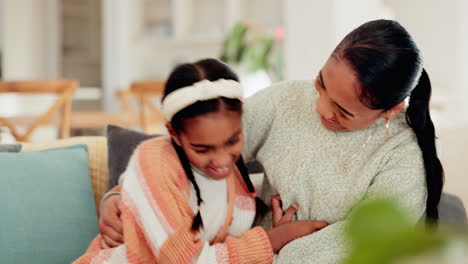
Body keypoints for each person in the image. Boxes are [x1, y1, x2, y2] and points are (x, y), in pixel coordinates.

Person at [99, 19, 444, 263]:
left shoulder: (402, 164)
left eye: (342, 111)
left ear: (390, 110)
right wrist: (122, 193)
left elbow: (347, 251)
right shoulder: (285, 101)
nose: (321, 108)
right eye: (321, 84)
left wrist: (272, 246)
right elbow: (192, 148)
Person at [74, 59, 328, 264]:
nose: (220, 160)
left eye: (232, 141)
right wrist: (271, 240)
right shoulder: (156, 162)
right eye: (202, 148)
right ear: (173, 134)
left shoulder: (235, 175)